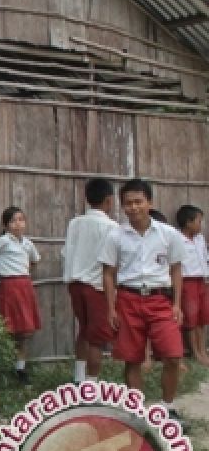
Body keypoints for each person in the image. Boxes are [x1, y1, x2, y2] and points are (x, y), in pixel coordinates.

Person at [100, 178, 186, 419]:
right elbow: (108, 273)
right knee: (132, 358)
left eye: (138, 202)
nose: (133, 207)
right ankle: (137, 411)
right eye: (128, 203)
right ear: (121, 205)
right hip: (127, 299)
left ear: (150, 202)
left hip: (160, 300)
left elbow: (177, 269)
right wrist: (110, 308)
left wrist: (177, 304)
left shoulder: (169, 235)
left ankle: (168, 407)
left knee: (173, 355)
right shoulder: (115, 236)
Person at [61, 177, 119, 382]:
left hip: (75, 284)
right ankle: (91, 385)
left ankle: (78, 377)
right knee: (96, 339)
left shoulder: (75, 223)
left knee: (84, 330)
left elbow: (66, 252)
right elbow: (113, 262)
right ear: (109, 200)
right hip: (97, 287)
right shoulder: (112, 227)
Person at [0, 207, 42, 382]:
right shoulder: (3, 241)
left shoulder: (27, 243)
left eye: (21, 219)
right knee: (4, 328)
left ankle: (20, 368)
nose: (18, 224)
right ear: (5, 225)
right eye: (13, 220)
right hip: (8, 286)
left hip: (24, 285)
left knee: (24, 330)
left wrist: (24, 272)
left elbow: (34, 260)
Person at [176, 205, 209, 365]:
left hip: (202, 281)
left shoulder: (200, 239)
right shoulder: (177, 239)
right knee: (191, 319)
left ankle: (203, 350)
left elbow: (205, 259)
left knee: (203, 319)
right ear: (188, 223)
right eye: (198, 221)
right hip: (187, 282)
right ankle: (195, 352)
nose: (200, 224)